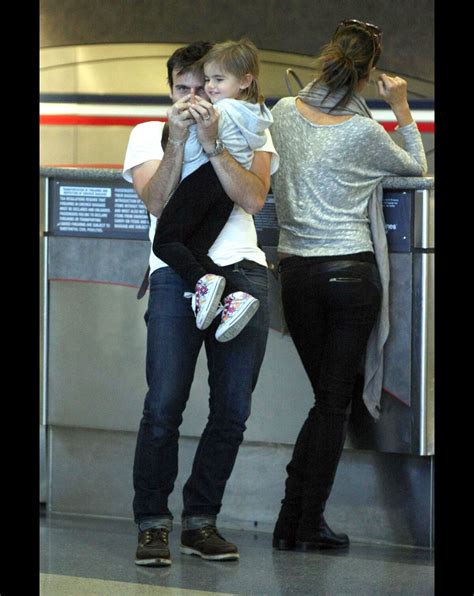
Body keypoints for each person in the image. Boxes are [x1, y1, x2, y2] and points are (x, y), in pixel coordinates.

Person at [270, 19, 427, 552]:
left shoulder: (284, 113)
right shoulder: (362, 132)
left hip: (295, 275)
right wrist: (401, 108)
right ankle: (301, 520)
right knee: (331, 404)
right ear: (368, 77)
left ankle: (292, 520)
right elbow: (416, 169)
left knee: (324, 401)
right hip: (349, 275)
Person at [122, 41, 279, 566]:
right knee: (164, 404)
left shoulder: (245, 124)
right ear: (170, 90)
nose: (195, 97)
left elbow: (254, 198)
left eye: (205, 87)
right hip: (174, 277)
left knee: (232, 410)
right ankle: (152, 524)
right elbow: (157, 203)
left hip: (244, 269)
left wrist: (213, 144)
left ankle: (201, 521)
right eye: (184, 89)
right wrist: (180, 140)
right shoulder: (150, 132)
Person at [152, 39, 273, 343]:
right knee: (194, 249)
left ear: (245, 81)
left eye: (214, 81)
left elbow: (195, 153)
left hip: (208, 179)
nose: (204, 91)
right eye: (208, 80)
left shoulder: (220, 111)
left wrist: (181, 135)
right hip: (225, 194)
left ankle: (206, 283)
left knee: (164, 241)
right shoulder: (254, 114)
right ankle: (233, 297)